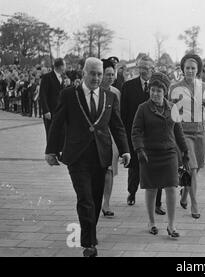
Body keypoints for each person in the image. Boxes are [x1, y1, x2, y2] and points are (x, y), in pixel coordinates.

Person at [45, 57, 131, 257]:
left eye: (99, 74)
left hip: (101, 155)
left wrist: (125, 150)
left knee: (95, 197)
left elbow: (117, 126)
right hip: (77, 156)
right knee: (85, 198)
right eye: (92, 73)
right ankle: (89, 243)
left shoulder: (109, 97)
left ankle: (90, 234)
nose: (96, 78)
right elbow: (57, 124)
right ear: (84, 73)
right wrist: (51, 150)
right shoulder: (69, 95)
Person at [132, 72, 189, 238]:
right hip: (149, 154)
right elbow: (136, 131)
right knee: (151, 188)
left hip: (169, 153)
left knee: (171, 187)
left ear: (165, 92)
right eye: (153, 90)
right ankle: (151, 221)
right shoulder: (142, 109)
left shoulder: (172, 108)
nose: (155, 93)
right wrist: (139, 149)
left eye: (159, 91)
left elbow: (178, 132)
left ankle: (171, 225)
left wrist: (185, 151)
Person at [120, 56, 165, 215]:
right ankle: (131, 192)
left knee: (157, 168)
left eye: (146, 67)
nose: (143, 70)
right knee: (134, 168)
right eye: (141, 67)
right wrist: (124, 138)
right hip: (135, 133)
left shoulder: (158, 87)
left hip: (154, 134)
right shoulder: (128, 86)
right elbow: (123, 114)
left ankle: (157, 203)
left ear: (153, 68)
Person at [169, 54, 205, 219]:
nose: (190, 71)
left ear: (198, 69)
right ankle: (194, 204)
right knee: (192, 168)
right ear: (183, 69)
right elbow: (172, 111)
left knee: (196, 168)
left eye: (193, 68)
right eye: (187, 68)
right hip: (184, 132)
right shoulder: (174, 87)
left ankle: (185, 193)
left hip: (201, 132)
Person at [100, 59, 121, 217]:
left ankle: (106, 202)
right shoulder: (94, 91)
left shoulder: (116, 93)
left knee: (110, 168)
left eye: (112, 74)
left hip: (111, 135)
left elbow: (118, 118)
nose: (110, 77)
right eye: (107, 74)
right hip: (96, 135)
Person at [39, 58, 66, 138]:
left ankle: (60, 150)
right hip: (50, 111)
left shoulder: (64, 77)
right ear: (61, 66)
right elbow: (42, 94)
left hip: (61, 111)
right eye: (64, 65)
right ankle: (50, 150)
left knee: (61, 134)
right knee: (51, 134)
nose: (65, 67)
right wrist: (46, 110)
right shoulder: (47, 77)